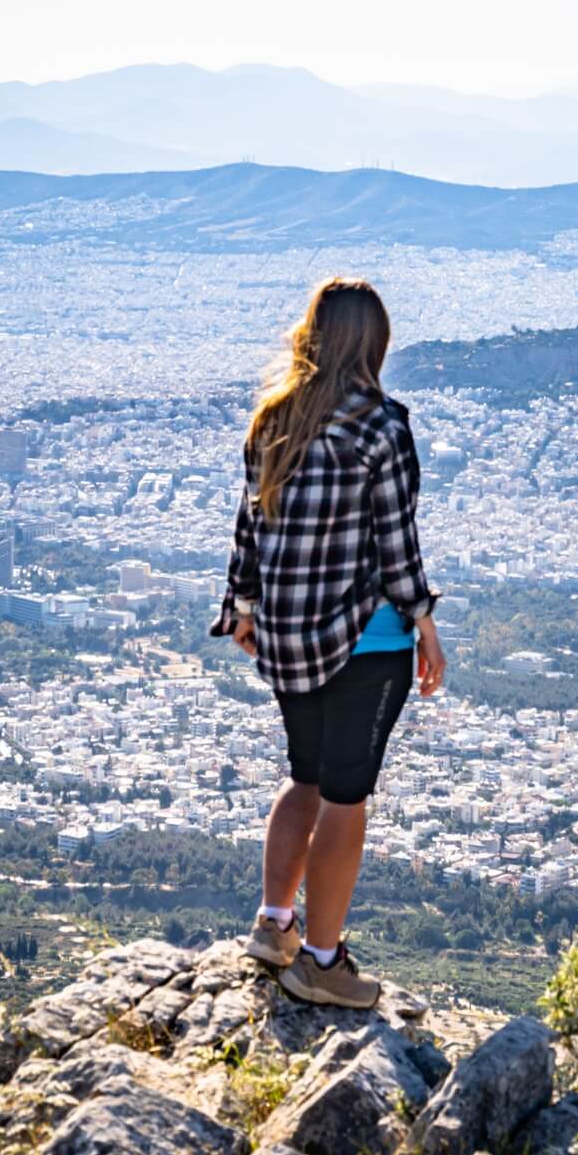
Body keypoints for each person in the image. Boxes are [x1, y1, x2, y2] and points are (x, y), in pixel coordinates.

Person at [209, 276, 446, 1009]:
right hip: (364, 637)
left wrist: (242, 608)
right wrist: (425, 619)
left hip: (284, 632)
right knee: (347, 794)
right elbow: (395, 540)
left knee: (303, 775)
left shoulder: (272, 418)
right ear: (373, 344)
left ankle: (273, 926)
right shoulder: (380, 424)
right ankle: (321, 959)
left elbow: (249, 527)